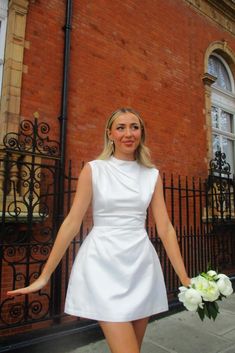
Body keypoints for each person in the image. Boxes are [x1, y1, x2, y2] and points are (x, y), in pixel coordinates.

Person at [7, 108, 191, 353]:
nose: (128, 133)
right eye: (121, 127)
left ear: (141, 133)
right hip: (103, 263)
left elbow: (165, 228)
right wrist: (44, 275)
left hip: (141, 266)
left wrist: (184, 278)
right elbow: (72, 222)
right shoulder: (94, 169)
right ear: (110, 133)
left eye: (134, 127)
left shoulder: (151, 175)